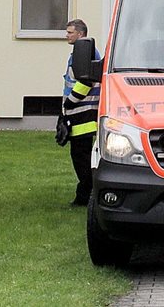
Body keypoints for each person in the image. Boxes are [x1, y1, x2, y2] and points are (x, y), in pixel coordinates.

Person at [62, 18, 100, 206]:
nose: (66, 35)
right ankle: (86, 193)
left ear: (81, 34)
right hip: (78, 113)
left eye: (70, 32)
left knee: (81, 157)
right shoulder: (81, 51)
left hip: (83, 112)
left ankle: (86, 194)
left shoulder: (86, 51)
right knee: (79, 156)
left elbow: (86, 81)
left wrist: (70, 102)